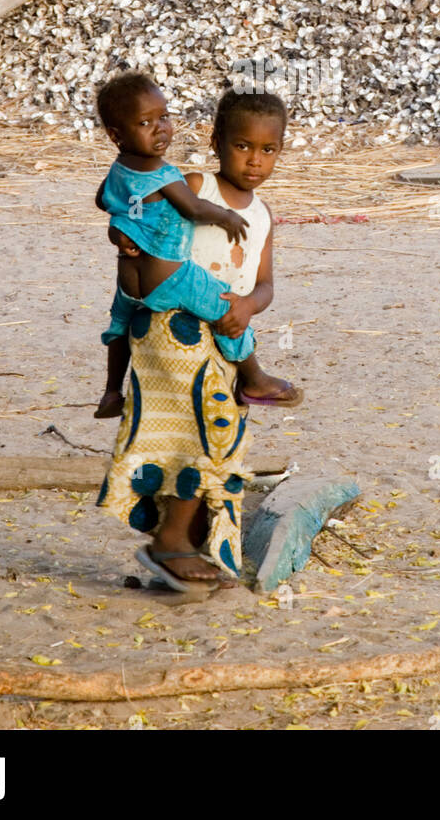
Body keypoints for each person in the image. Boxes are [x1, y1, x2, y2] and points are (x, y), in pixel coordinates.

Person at [96, 78, 301, 588]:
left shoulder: (263, 215)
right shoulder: (193, 186)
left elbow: (266, 282)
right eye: (242, 145)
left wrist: (250, 305)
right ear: (215, 143)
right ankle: (169, 544)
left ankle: (187, 545)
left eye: (268, 150)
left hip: (224, 332)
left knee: (204, 433)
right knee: (203, 427)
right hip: (175, 328)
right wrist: (125, 241)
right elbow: (133, 220)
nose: (255, 160)